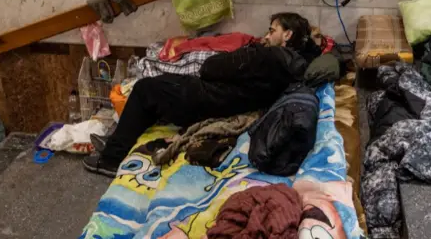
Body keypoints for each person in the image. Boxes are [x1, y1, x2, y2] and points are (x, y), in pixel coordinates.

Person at [83, 13, 321, 177]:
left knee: (145, 88)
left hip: (209, 98)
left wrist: (249, 51)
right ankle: (116, 139)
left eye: (272, 31)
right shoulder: (294, 64)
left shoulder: (267, 56)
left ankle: (111, 160)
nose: (267, 36)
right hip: (227, 99)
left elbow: (210, 68)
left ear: (287, 35)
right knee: (157, 90)